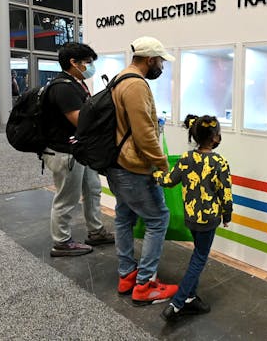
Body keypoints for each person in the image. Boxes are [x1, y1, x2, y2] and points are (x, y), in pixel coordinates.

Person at [105, 36, 178, 305]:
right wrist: (162, 164)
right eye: (160, 61)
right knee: (158, 219)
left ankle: (127, 275)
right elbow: (144, 133)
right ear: (150, 60)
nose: (161, 66)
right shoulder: (136, 85)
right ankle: (145, 284)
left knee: (124, 217)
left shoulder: (119, 78)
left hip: (116, 164)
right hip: (133, 167)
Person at [154, 114, 233, 322]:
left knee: (197, 253)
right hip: (209, 219)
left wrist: (154, 175)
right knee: (199, 258)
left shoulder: (186, 158)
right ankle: (177, 303)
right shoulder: (220, 162)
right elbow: (225, 193)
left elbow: (170, 180)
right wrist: (227, 214)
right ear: (215, 138)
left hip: (191, 217)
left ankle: (190, 297)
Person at [43, 43, 115, 257]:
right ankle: (61, 242)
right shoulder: (62, 87)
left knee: (92, 190)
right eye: (87, 62)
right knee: (67, 198)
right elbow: (79, 121)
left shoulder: (77, 83)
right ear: (73, 63)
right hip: (65, 153)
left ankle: (95, 231)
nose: (90, 66)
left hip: (81, 151)